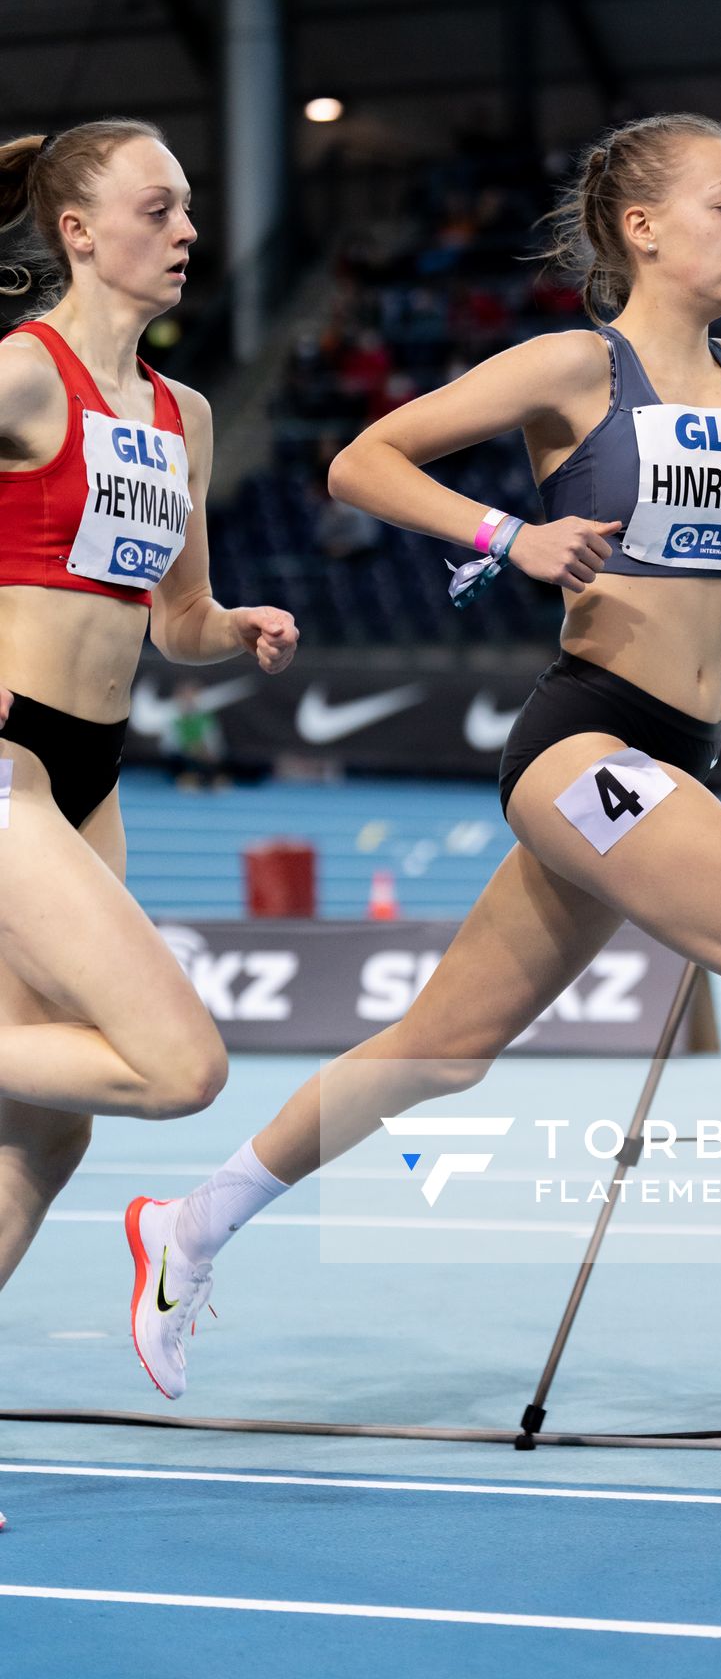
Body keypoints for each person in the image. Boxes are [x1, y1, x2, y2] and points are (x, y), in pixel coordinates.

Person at [132, 112, 721, 1447]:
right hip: (584, 744)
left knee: (442, 1052)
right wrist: (510, 536)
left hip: (683, 759)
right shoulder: (572, 368)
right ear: (642, 228)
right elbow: (360, 461)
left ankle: (188, 1224)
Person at [0, 118, 298, 1309]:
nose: (186, 230)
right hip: (7, 766)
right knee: (178, 1067)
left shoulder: (183, 415)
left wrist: (232, 627)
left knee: (43, 1132)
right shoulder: (23, 372)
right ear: (78, 232)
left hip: (92, 779)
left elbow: (174, 614)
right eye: (157, 208)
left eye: (185, 208)